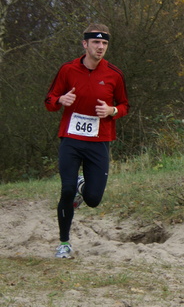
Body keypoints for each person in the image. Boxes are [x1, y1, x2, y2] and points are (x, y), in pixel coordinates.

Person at [45, 23, 129, 257]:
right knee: (66, 189)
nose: (100, 47)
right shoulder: (67, 70)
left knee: (93, 199)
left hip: (99, 141)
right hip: (71, 139)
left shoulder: (114, 74)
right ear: (85, 44)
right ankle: (64, 243)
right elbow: (49, 100)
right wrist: (61, 100)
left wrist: (112, 111)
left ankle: (83, 185)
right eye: (96, 42)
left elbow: (124, 106)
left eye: (104, 43)